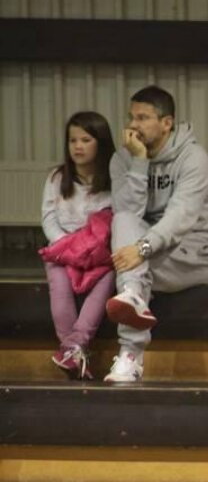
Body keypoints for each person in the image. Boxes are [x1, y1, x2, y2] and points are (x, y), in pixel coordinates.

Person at [103, 85, 208, 382]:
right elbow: (127, 212)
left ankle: (131, 351)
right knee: (122, 220)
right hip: (147, 252)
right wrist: (139, 162)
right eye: (131, 117)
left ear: (166, 123)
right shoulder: (122, 159)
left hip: (194, 253)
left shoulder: (193, 158)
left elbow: (180, 218)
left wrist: (142, 249)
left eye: (143, 118)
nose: (133, 125)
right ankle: (132, 308)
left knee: (129, 271)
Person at [38, 111, 116, 380]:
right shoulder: (56, 178)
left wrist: (89, 253)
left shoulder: (113, 181)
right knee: (59, 288)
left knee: (107, 279)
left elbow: (115, 223)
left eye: (85, 140)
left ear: (101, 143)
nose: (78, 146)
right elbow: (48, 218)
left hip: (97, 254)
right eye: (72, 141)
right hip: (63, 251)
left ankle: (74, 346)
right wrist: (68, 248)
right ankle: (72, 349)